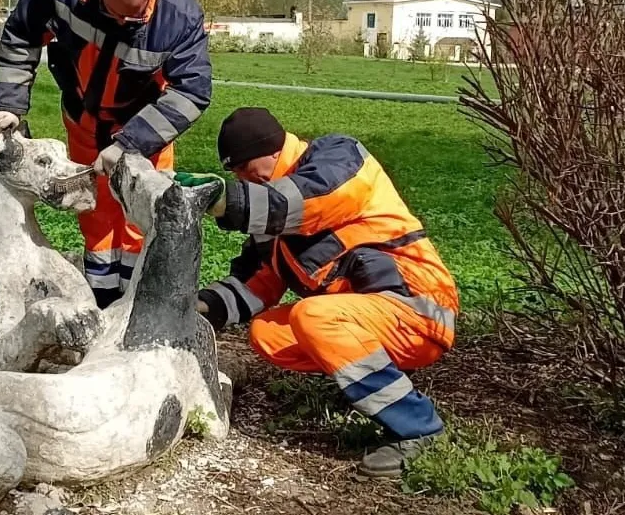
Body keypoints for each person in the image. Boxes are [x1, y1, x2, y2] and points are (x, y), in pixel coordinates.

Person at [175, 107, 458, 477]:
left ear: (274, 151)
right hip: (373, 318)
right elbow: (259, 282)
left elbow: (300, 203)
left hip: (422, 310)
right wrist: (197, 308)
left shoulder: (339, 158)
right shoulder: (272, 210)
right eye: (235, 173)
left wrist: (220, 199)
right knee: (268, 333)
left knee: (311, 316)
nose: (243, 178)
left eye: (245, 168)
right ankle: (364, 382)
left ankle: (420, 429)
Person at [0, 0, 212, 308]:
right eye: (114, 14)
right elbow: (21, 37)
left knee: (144, 215)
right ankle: (102, 299)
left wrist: (130, 143)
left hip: (145, 128)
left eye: (133, 20)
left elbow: (192, 92)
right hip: (84, 119)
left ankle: (139, 302)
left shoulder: (178, 16)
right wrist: (10, 108)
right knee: (95, 215)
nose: (122, 24)